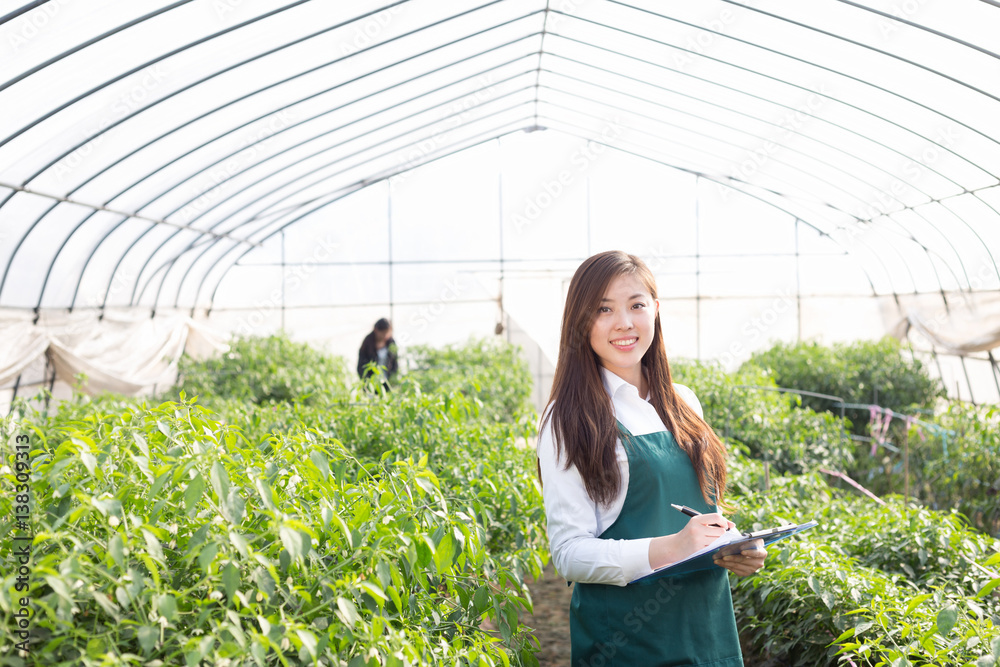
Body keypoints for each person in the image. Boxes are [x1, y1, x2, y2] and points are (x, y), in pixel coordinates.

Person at [536, 250, 767, 666]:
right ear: (580, 322)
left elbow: (698, 512)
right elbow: (569, 552)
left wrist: (732, 546)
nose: (624, 322)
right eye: (603, 309)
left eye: (636, 305)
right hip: (628, 641)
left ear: (656, 311)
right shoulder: (568, 419)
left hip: (707, 631)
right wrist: (673, 547)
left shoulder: (684, 402)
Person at [357, 318, 397, 389]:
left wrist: (393, 378)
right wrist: (367, 382)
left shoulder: (390, 342)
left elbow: (395, 362)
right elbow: (361, 366)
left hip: (387, 381)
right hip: (372, 382)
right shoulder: (367, 342)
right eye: (382, 333)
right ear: (376, 330)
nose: (384, 335)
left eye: (386, 333)